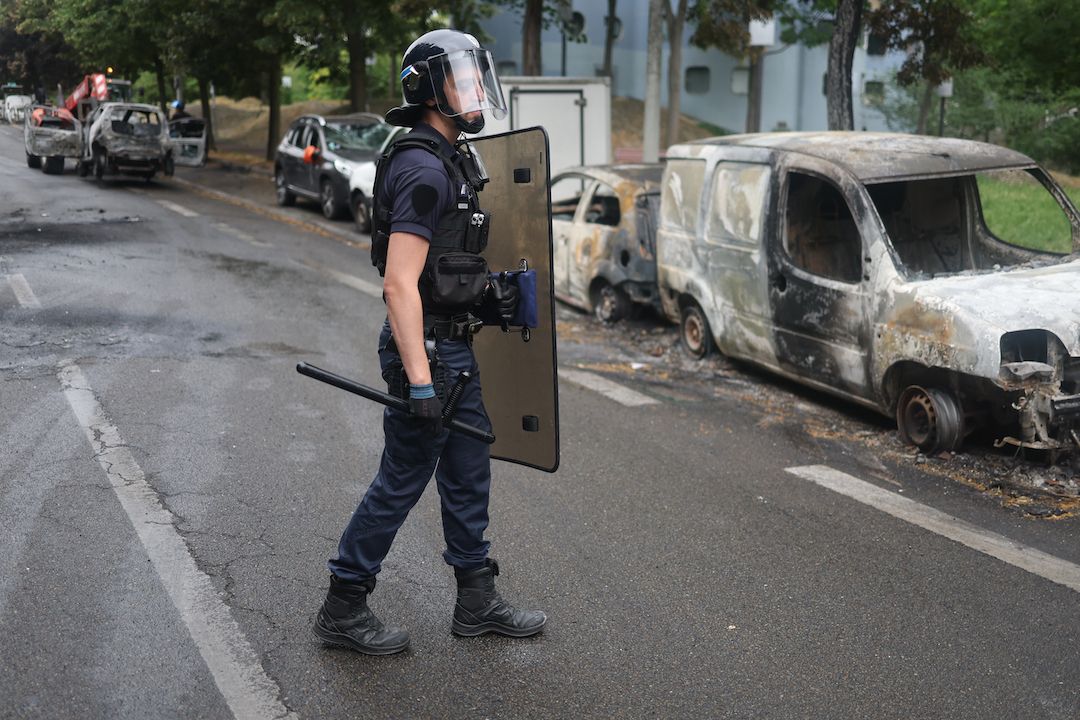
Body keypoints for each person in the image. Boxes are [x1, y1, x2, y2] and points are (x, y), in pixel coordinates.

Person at [312, 28, 546, 656]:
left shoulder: (451, 158)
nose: (474, 90)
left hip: (452, 349)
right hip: (430, 355)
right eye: (460, 80)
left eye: (475, 78)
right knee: (403, 478)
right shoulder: (421, 167)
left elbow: (445, 266)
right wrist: (420, 379)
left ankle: (476, 600)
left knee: (469, 471)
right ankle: (343, 603)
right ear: (427, 90)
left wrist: (488, 294)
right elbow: (399, 283)